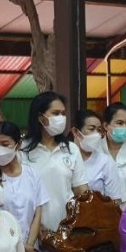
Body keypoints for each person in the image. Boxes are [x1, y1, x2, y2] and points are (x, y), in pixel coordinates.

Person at [20, 91, 88, 237]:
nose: (61, 118)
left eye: (63, 113)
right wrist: (35, 229)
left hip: (68, 231)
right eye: (56, 113)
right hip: (32, 232)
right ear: (40, 117)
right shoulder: (22, 150)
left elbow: (81, 192)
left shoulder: (71, 149)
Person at [0, 120, 49, 252]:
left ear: (18, 144)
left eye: (5, 144)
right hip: (1, 251)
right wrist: (19, 248)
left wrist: (29, 245)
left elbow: (37, 212)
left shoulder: (32, 174)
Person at [71, 109, 125, 205]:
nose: (96, 134)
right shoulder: (65, 158)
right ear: (76, 131)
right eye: (91, 129)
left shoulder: (105, 162)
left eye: (99, 130)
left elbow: (114, 201)